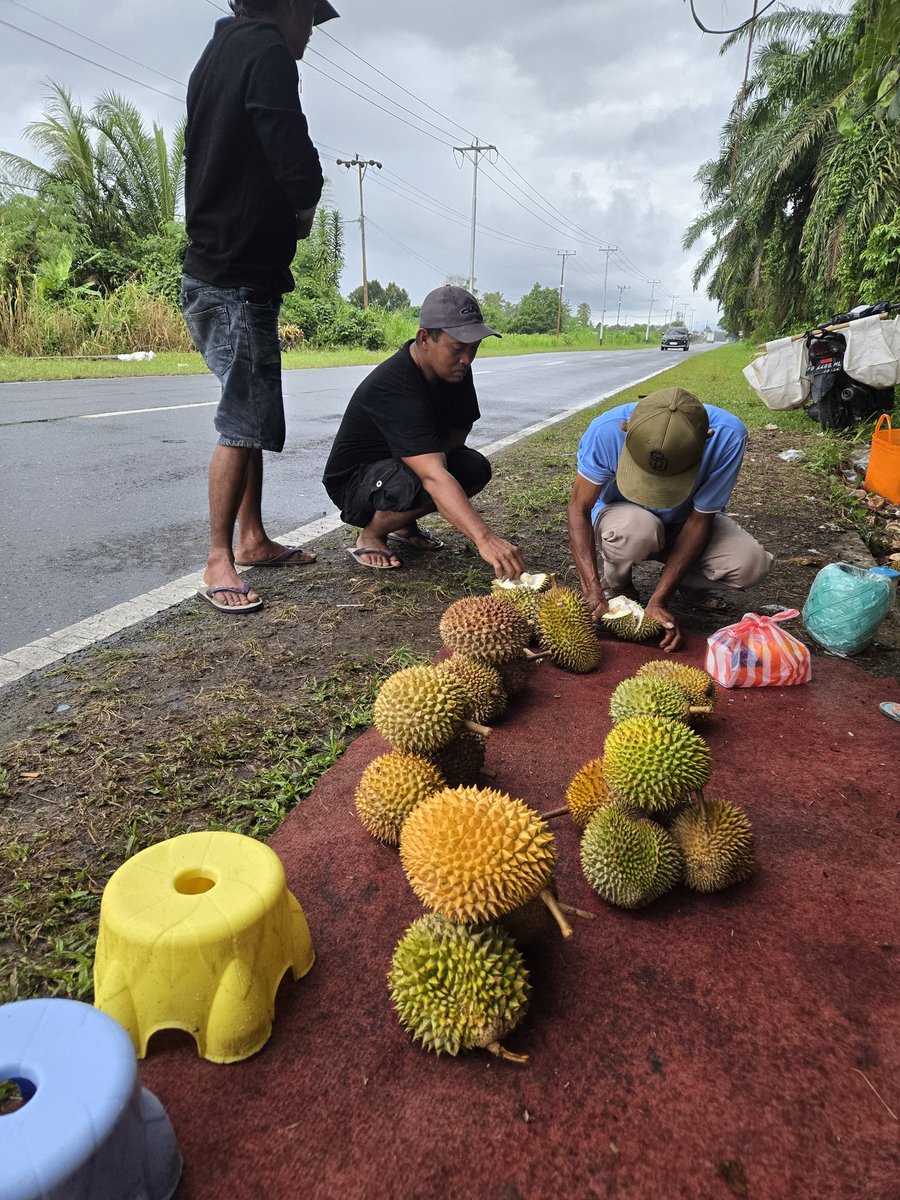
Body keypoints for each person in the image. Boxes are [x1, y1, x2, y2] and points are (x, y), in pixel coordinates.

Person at [181, 0, 339, 613]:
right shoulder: (267, 50)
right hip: (235, 277)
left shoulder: (218, 50)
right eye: (310, 19)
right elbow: (288, 145)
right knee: (243, 418)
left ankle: (251, 538)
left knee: (248, 413)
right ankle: (219, 557)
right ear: (291, 6)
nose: (310, 34)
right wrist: (303, 204)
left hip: (218, 270)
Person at [322, 286, 526, 579]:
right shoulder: (394, 384)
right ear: (425, 338)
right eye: (457, 348)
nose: (467, 359)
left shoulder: (456, 371)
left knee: (472, 467)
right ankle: (372, 534)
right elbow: (431, 475)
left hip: (395, 469)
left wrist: (436, 471)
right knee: (428, 475)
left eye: (474, 348)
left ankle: (403, 526)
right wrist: (485, 539)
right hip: (355, 484)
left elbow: (459, 431)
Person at [567, 387, 773, 652]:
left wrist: (659, 600)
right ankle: (619, 584)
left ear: (705, 439)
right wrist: (591, 588)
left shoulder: (728, 436)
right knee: (635, 530)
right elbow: (579, 507)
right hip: (626, 519)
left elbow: (699, 521)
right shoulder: (605, 430)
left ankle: (682, 581)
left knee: (751, 565)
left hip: (685, 521)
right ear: (626, 429)